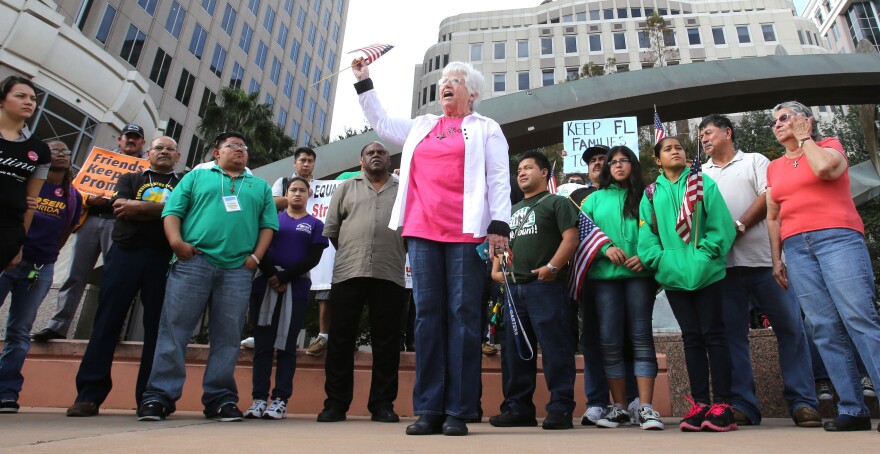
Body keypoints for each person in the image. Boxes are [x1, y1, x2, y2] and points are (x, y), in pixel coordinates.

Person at [353, 58, 510, 436]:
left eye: (455, 80)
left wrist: (499, 226)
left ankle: (458, 409)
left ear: (472, 93)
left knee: (462, 315)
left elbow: (499, 178)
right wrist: (363, 82)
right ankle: (428, 409)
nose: (447, 85)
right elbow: (382, 123)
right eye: (443, 80)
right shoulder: (422, 126)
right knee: (426, 317)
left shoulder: (486, 128)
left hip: (465, 231)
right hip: (422, 231)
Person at [137, 131, 277, 422]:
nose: (240, 149)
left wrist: (255, 259)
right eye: (232, 146)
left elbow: (268, 226)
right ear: (217, 152)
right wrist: (176, 243)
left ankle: (220, 399)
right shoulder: (196, 177)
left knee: (227, 337)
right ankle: (158, 397)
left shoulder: (259, 186)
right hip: (193, 262)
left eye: (243, 146)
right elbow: (173, 211)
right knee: (174, 330)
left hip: (238, 270)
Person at [699, 114, 821, 428]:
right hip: (724, 270)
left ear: (727, 132)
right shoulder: (700, 174)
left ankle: (803, 402)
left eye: (709, 132)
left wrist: (738, 226)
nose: (704, 139)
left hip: (767, 262)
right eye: (701, 136)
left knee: (791, 330)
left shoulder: (754, 160)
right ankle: (744, 405)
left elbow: (769, 196)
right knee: (733, 338)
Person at [766, 101, 880, 432]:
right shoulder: (774, 167)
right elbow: (773, 215)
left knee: (859, 318)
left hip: (838, 239)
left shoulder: (829, 146)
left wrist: (805, 140)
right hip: (797, 248)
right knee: (823, 327)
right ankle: (853, 409)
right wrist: (777, 258)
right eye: (774, 122)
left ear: (807, 121)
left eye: (785, 118)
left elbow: (825, 170)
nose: (778, 125)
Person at [66, 137, 181, 417]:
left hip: (164, 258)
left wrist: (140, 208)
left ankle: (150, 396)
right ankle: (89, 395)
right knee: (106, 321)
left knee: (159, 327)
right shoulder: (130, 177)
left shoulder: (183, 184)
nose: (164, 152)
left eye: (169, 149)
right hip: (125, 254)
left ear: (177, 156)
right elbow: (120, 208)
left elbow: (184, 212)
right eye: (158, 148)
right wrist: (163, 212)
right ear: (149, 153)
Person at [637, 136, 737, 432]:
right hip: (674, 276)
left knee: (714, 336)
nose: (675, 151)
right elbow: (646, 235)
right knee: (691, 338)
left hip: (707, 273)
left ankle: (723, 405)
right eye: (667, 149)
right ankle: (700, 404)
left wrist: (706, 255)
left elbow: (722, 225)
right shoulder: (651, 192)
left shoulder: (703, 183)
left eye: (679, 147)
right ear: (657, 160)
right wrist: (660, 260)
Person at [317, 141, 407, 424]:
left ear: (389, 161)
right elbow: (333, 231)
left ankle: (382, 404)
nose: (377, 156)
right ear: (361, 160)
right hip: (349, 271)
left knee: (388, 342)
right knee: (341, 340)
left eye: (382, 153)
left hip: (389, 271)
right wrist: (354, 249)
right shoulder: (345, 188)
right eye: (371, 153)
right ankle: (335, 404)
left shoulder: (403, 189)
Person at [488, 151, 578, 431]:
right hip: (514, 290)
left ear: (545, 173)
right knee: (514, 353)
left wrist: (552, 266)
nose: (522, 173)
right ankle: (517, 408)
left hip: (546, 287)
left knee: (555, 349)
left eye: (528, 168)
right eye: (519, 170)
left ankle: (560, 408)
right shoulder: (510, 210)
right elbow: (501, 243)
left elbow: (571, 237)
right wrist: (495, 268)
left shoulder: (557, 203)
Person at [32, 123, 146, 341]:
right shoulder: (100, 160)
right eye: (127, 137)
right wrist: (88, 199)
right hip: (90, 220)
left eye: (136, 137)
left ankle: (113, 330)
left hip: (121, 224)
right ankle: (57, 326)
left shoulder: (146, 168)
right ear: (119, 139)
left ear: (142, 142)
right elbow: (76, 189)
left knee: (117, 279)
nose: (131, 141)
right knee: (75, 275)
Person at [581, 146, 663, 430]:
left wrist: (646, 255)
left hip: (640, 275)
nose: (617, 166)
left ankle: (647, 407)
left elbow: (661, 229)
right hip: (605, 278)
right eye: (612, 162)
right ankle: (618, 408)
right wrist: (605, 248)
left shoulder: (648, 195)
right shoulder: (592, 199)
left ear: (633, 165)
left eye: (623, 161)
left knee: (641, 337)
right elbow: (583, 234)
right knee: (609, 341)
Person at [0, 140, 81, 413]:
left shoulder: (72, 195)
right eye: (55, 151)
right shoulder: (26, 185)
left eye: (65, 151)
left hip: (40, 267)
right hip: (8, 260)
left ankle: (7, 392)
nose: (61, 154)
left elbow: (67, 229)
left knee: (19, 331)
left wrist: (49, 255)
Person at [244, 177, 328, 420]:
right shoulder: (272, 220)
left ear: (309, 194)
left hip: (296, 288)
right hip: (265, 286)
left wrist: (285, 277)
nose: (298, 194)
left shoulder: (315, 224)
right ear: (286, 193)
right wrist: (272, 276)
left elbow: (313, 258)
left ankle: (279, 400)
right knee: (263, 345)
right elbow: (259, 248)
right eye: (293, 189)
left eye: (302, 190)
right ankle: (259, 398)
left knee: (287, 345)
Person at [268, 146, 332, 357]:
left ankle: (323, 335)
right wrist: (297, 193)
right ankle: (262, 330)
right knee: (272, 286)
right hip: (284, 243)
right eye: (302, 160)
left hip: (315, 244)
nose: (306, 164)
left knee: (325, 286)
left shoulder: (324, 186)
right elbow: (271, 203)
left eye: (310, 161)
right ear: (295, 163)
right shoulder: (283, 182)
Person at [0, 76, 50, 272]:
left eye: (33, 98)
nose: (29, 102)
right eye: (20, 96)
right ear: (2, 100)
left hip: (7, 231)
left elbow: (31, 201)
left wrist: (19, 244)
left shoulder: (41, 150)